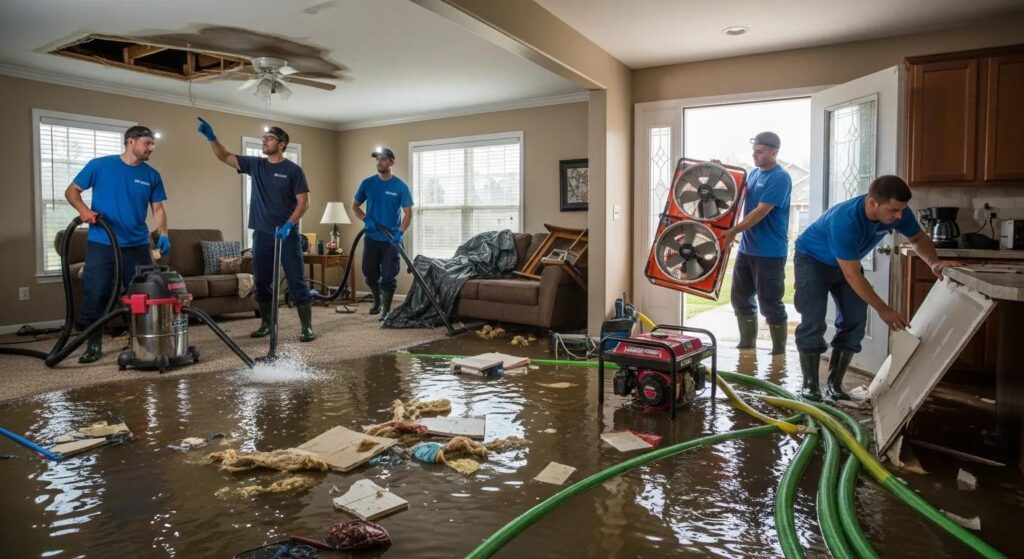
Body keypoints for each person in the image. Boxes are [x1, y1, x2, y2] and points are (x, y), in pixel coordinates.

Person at [793, 175, 959, 401]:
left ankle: (834, 384)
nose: (899, 216)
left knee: (855, 320)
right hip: (812, 261)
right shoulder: (845, 220)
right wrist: (883, 309)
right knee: (813, 321)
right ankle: (810, 385)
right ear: (873, 203)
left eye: (902, 210)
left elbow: (918, 238)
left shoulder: (898, 212)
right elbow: (851, 275)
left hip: (847, 262)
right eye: (893, 210)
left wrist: (934, 263)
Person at [196, 117, 315, 342]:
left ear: (281, 144)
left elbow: (304, 202)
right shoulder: (256, 165)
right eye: (264, 138)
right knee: (261, 281)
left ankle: (306, 327)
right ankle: (267, 324)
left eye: (269, 138)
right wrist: (212, 137)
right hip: (261, 233)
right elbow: (224, 156)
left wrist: (289, 224)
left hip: (287, 235)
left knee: (296, 279)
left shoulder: (293, 170)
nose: (264, 141)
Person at [64, 125, 171, 363]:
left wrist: (163, 233)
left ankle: (140, 341)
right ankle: (93, 344)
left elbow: (158, 208)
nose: (151, 148)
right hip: (103, 242)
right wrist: (84, 211)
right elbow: (71, 191)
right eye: (147, 143)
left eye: (153, 144)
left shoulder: (151, 175)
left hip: (137, 245)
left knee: (141, 294)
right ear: (130, 142)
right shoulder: (99, 166)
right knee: (98, 291)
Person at [720, 132, 792, 355]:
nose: (755, 156)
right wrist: (719, 171)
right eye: (754, 151)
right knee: (740, 299)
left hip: (770, 252)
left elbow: (761, 211)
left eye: (759, 152)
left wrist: (734, 231)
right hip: (747, 249)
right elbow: (734, 191)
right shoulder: (753, 174)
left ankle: (778, 352)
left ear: (774, 152)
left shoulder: (780, 177)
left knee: (770, 303)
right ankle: (746, 345)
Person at [352, 147, 413, 322]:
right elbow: (355, 206)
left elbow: (408, 213)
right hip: (371, 237)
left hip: (391, 240)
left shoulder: (400, 187)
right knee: (369, 273)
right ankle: (377, 300)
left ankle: (385, 310)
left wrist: (400, 232)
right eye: (377, 159)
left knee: (388, 275)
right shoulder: (368, 183)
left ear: (392, 162)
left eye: (383, 159)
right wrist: (366, 219)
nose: (379, 162)